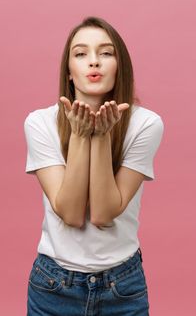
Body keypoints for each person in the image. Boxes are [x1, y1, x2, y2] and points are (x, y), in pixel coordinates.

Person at [23, 16, 164, 315]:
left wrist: (101, 135)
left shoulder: (146, 124)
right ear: (69, 72)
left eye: (106, 53)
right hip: (53, 286)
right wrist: (79, 134)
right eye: (81, 53)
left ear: (119, 66)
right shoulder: (40, 123)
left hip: (122, 287)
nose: (94, 62)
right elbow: (71, 214)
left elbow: (102, 213)